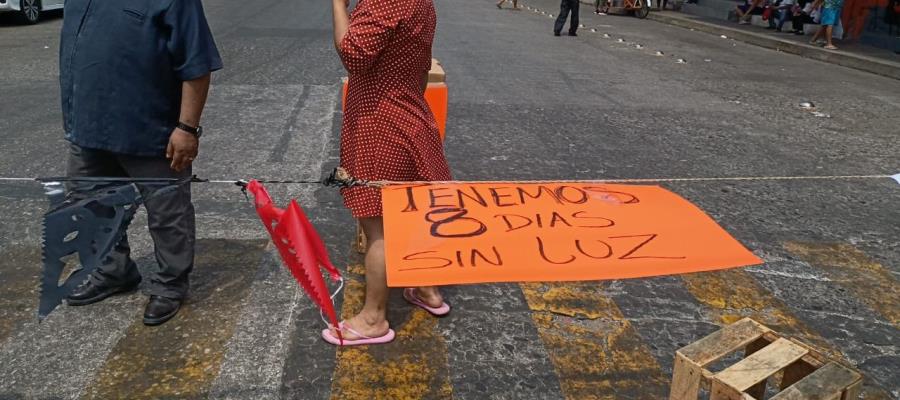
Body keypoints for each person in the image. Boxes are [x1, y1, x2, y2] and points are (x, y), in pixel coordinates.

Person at [59, 0, 222, 326]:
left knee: (167, 216)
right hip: (87, 128)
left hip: (151, 133)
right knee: (89, 205)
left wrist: (187, 128)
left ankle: (171, 284)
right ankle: (111, 270)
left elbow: (197, 65)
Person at [327, 0, 452, 346]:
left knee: (377, 223)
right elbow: (423, 67)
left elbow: (352, 54)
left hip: (380, 121)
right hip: (411, 113)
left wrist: (338, 5)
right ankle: (427, 289)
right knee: (411, 212)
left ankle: (373, 318)